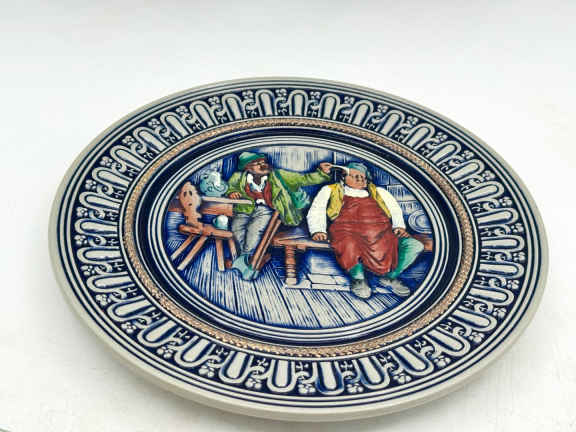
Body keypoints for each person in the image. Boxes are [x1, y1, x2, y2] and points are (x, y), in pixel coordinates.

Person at [306, 162, 424, 298]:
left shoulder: (378, 192)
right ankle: (359, 280)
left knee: (415, 245)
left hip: (382, 233)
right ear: (344, 177)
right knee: (349, 245)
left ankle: (389, 277)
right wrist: (318, 230)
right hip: (346, 231)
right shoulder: (330, 190)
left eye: (362, 177)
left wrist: (399, 226)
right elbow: (317, 209)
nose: (360, 179)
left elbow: (395, 210)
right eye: (354, 176)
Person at [227, 151, 332, 279]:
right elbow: (230, 188)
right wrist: (232, 193)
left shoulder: (278, 175)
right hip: (243, 209)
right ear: (247, 168)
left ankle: (247, 258)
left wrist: (322, 173)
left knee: (254, 230)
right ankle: (244, 258)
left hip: (266, 210)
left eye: (263, 162)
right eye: (257, 163)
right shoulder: (238, 177)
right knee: (236, 229)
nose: (263, 165)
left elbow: (304, 179)